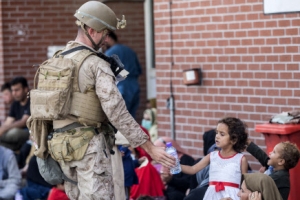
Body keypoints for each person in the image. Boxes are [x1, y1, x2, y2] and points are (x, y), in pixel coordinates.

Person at [35, 1, 174, 199]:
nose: (107, 39)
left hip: (60, 147)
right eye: (106, 33)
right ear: (92, 30)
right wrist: (149, 147)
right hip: (89, 149)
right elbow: (116, 111)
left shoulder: (54, 61)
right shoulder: (95, 64)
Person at [180, 117, 248, 200]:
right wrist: (176, 166)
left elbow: (244, 184)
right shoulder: (212, 155)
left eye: (222, 134)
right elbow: (192, 169)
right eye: (217, 133)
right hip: (212, 195)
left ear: (233, 140)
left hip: (232, 197)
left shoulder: (241, 159)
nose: (217, 136)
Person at [104, 31, 142, 119]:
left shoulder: (110, 53)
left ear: (108, 39)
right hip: (134, 86)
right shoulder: (130, 51)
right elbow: (138, 70)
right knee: (131, 119)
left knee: (120, 119)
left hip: (121, 87)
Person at [0, 77, 30, 151]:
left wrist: (3, 129)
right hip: (18, 135)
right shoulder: (15, 103)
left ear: (25, 89)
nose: (14, 93)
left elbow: (23, 122)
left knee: (13, 133)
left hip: (29, 132)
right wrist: (2, 129)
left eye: (17, 90)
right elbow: (8, 122)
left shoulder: (31, 101)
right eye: (12, 90)